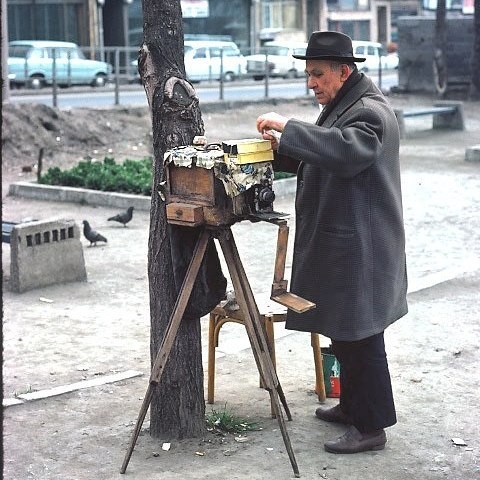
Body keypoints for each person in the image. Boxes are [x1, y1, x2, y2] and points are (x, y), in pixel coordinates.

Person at [256, 31, 408, 454]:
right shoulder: (345, 103)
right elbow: (327, 152)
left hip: (365, 248)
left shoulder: (370, 112)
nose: (311, 83)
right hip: (352, 242)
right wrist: (282, 147)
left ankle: (371, 427)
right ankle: (352, 406)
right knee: (345, 332)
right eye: (308, 74)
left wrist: (290, 129)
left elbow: (345, 152)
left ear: (344, 72)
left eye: (318, 74)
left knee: (361, 337)